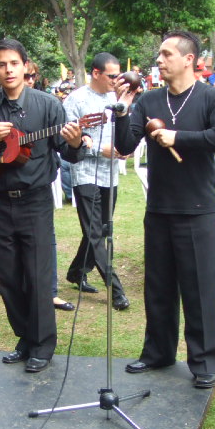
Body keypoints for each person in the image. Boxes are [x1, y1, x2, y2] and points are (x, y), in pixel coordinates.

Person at [113, 30, 215, 389]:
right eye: (160, 54)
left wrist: (178, 137)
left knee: (200, 290)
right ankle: (158, 352)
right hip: (160, 209)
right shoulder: (150, 100)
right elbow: (124, 143)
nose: (160, 59)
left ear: (188, 59)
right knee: (159, 287)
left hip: (198, 209)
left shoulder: (212, 97)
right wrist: (123, 107)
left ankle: (206, 360)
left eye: (167, 54)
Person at [0, 39, 85, 373]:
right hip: (1, 200)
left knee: (37, 273)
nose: (8, 70)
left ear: (26, 66)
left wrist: (75, 142)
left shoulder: (47, 105)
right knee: (8, 276)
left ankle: (43, 344)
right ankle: (24, 338)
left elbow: (68, 149)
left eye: (14, 64)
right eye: (2, 65)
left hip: (35, 201)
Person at [63, 52, 130, 310]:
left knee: (101, 229)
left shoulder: (117, 99)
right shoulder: (76, 100)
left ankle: (77, 270)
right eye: (112, 76)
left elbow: (124, 131)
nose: (116, 80)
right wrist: (97, 150)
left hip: (110, 174)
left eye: (118, 75)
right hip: (85, 173)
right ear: (96, 73)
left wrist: (126, 146)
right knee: (94, 232)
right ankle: (116, 290)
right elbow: (69, 140)